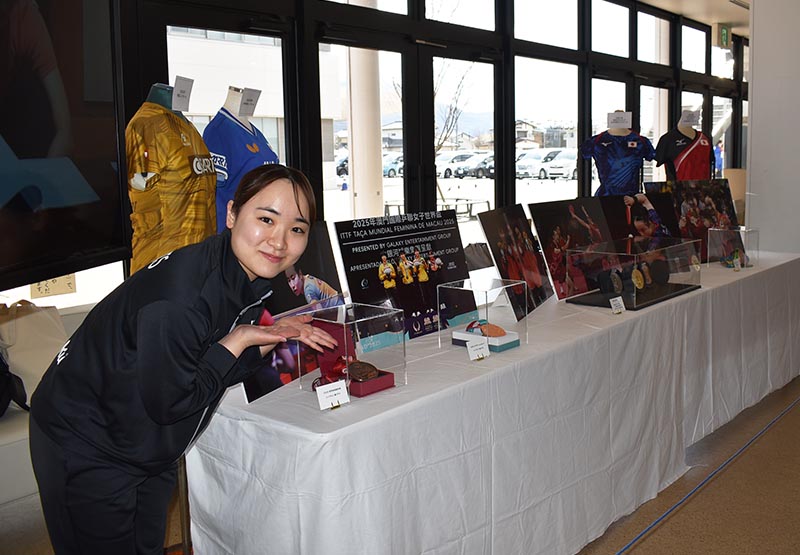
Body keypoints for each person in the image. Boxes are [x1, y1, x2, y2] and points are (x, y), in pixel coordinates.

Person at [28, 164, 338, 555]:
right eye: (266, 219)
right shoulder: (183, 296)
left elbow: (212, 369)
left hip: (146, 440)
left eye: (297, 228)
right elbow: (173, 401)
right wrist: (240, 337)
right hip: (85, 438)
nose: (279, 241)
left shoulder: (248, 277)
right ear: (231, 214)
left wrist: (269, 338)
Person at [125, 83, 217, 274]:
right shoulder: (145, 125)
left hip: (199, 258)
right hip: (162, 260)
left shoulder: (189, 128)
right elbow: (140, 191)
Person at [203, 85, 280, 233]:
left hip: (261, 226)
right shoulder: (218, 131)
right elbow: (214, 191)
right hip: (234, 230)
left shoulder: (256, 133)